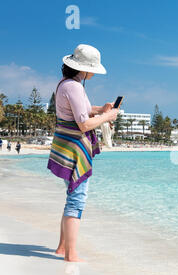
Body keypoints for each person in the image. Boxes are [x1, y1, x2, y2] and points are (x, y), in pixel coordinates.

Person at [47, 44, 119, 262]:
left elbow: (83, 111)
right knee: (77, 200)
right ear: (84, 69)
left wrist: (101, 109)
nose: (94, 73)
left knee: (72, 197)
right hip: (74, 147)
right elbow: (84, 124)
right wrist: (107, 117)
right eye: (93, 69)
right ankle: (70, 254)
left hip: (65, 144)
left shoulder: (66, 84)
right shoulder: (75, 87)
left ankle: (62, 247)